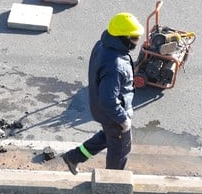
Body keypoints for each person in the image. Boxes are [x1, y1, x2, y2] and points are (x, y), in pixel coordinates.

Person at [60, 12, 144, 173]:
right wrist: (123, 119)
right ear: (122, 37)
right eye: (134, 37)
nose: (137, 41)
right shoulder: (116, 65)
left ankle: (74, 157)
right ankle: (111, 183)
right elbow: (109, 100)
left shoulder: (103, 44)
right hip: (112, 113)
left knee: (109, 136)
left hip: (102, 110)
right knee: (120, 150)